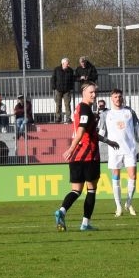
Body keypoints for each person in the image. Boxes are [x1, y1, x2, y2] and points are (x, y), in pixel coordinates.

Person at [54, 81, 103, 231]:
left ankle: (61, 211)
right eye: (91, 92)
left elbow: (88, 132)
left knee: (76, 190)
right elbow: (81, 132)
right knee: (91, 190)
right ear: (83, 93)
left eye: (95, 92)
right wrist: (70, 148)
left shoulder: (78, 108)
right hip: (89, 156)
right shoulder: (86, 109)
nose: (94, 95)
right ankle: (85, 224)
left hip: (76, 157)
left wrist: (108, 140)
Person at [99, 88, 139, 216]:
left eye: (119, 96)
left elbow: (138, 129)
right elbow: (102, 133)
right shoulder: (106, 114)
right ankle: (118, 206)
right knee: (116, 178)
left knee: (133, 177)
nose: (118, 99)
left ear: (122, 98)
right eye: (115, 97)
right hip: (114, 151)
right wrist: (95, 147)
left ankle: (129, 203)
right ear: (111, 99)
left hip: (129, 149)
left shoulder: (129, 112)